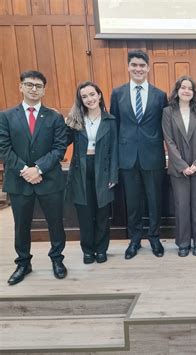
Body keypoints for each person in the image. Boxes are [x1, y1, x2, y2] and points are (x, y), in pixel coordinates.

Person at [0, 70, 68, 285]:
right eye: (29, 84)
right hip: (19, 181)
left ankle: (57, 259)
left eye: (38, 86)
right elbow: (4, 148)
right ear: (20, 86)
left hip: (49, 180)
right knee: (21, 225)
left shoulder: (54, 117)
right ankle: (23, 263)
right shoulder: (6, 116)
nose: (33, 89)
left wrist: (38, 169)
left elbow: (59, 148)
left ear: (43, 90)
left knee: (56, 223)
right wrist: (25, 170)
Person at [110, 49, 168, 259]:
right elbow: (115, 126)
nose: (138, 69)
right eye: (134, 65)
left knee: (154, 201)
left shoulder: (160, 95)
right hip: (127, 157)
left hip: (152, 157)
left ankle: (154, 237)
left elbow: (164, 127)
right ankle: (134, 240)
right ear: (128, 67)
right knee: (132, 202)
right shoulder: (118, 93)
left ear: (148, 68)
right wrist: (115, 159)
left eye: (142, 65)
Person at [65, 81, 118, 264]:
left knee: (102, 213)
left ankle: (102, 249)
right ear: (80, 100)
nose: (89, 99)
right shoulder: (75, 120)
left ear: (99, 95)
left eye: (92, 94)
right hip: (81, 169)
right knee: (85, 213)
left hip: (102, 169)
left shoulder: (110, 120)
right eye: (85, 96)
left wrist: (113, 175)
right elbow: (62, 142)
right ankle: (88, 250)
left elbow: (114, 150)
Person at [162, 76, 196, 257]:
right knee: (181, 206)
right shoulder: (168, 112)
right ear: (177, 90)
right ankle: (183, 243)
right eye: (183, 87)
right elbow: (169, 140)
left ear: (194, 92)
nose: (186, 91)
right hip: (178, 168)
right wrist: (183, 166)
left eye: (190, 88)